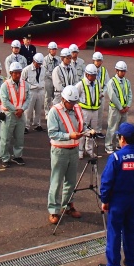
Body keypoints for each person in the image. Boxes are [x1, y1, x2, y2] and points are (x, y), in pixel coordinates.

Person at [98, 122, 134, 266]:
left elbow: (107, 181)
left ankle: (114, 265)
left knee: (114, 232)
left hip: (117, 201)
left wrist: (105, 200)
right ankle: (132, 262)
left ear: (122, 139)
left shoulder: (116, 157)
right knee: (131, 230)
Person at [46, 85, 84, 224]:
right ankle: (54, 210)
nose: (72, 105)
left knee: (71, 181)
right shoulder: (54, 111)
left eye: (74, 102)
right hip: (60, 150)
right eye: (70, 102)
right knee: (56, 181)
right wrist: (69, 135)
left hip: (73, 149)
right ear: (63, 99)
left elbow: (81, 125)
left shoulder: (77, 109)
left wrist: (86, 131)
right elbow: (52, 133)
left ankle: (68, 205)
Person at [0, 61, 30, 167]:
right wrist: (16, 110)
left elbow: (28, 98)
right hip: (9, 115)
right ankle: (5, 157)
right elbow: (5, 100)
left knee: (19, 137)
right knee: (5, 137)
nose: (17, 75)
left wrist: (22, 109)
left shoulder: (25, 84)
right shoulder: (5, 85)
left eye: (19, 72)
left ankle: (17, 156)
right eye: (15, 73)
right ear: (11, 73)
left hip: (21, 115)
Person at [105, 61, 132, 154]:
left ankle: (119, 144)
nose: (123, 73)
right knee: (112, 127)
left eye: (124, 71)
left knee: (122, 128)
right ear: (116, 71)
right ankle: (108, 146)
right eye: (121, 71)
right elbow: (113, 96)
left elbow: (130, 94)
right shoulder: (111, 82)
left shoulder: (127, 82)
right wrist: (120, 107)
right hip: (115, 109)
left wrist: (128, 105)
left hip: (124, 109)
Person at [76, 64, 101, 159]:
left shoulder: (97, 83)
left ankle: (89, 150)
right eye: (92, 75)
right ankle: (80, 150)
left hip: (95, 111)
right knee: (83, 131)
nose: (94, 77)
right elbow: (75, 96)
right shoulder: (80, 84)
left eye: (95, 75)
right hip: (84, 111)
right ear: (86, 74)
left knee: (92, 132)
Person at [21, 53, 46, 133]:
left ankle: (37, 124)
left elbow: (43, 79)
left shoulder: (43, 69)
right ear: (33, 61)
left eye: (40, 64)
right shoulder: (27, 69)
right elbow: (22, 81)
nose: (38, 65)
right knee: (28, 110)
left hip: (40, 90)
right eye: (37, 63)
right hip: (31, 91)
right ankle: (25, 126)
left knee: (38, 109)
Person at [92, 52, 110, 134]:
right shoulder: (89, 69)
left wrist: (103, 93)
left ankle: (98, 130)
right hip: (91, 96)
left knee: (100, 113)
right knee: (91, 113)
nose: (98, 62)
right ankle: (91, 130)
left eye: (100, 60)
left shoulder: (104, 71)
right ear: (93, 60)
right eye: (97, 60)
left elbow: (107, 83)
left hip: (101, 96)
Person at [43, 42, 60, 117]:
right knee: (48, 97)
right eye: (52, 49)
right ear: (49, 50)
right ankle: (47, 112)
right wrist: (54, 76)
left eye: (55, 49)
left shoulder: (59, 59)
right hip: (48, 80)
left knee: (56, 96)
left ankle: (54, 111)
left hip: (56, 81)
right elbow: (45, 71)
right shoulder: (45, 59)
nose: (54, 51)